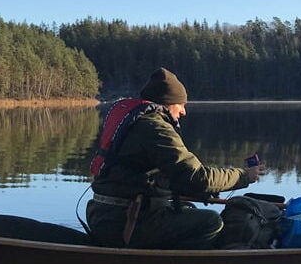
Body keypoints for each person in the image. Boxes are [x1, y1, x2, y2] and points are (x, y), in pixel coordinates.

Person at [86, 67, 265, 249]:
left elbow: (169, 177)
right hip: (125, 222)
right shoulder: (155, 128)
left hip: (106, 215)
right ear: (168, 103)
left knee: (187, 209)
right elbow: (200, 177)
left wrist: (198, 191)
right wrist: (245, 176)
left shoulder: (138, 122)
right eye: (181, 104)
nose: (183, 112)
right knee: (211, 222)